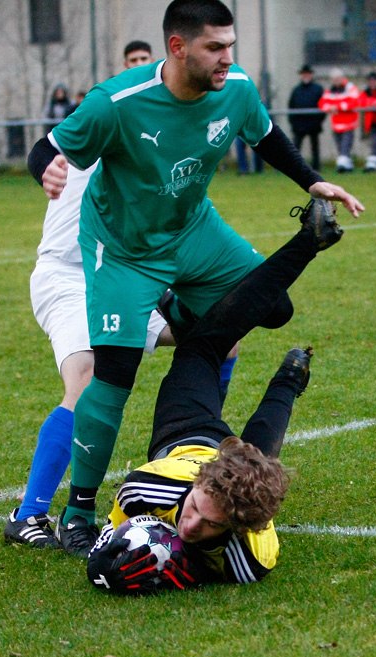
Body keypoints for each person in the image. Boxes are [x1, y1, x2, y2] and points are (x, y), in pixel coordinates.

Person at [27, 0, 363, 558]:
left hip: (193, 232)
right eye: (215, 47)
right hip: (124, 251)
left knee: (273, 307)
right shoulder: (117, 103)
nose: (227, 58)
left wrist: (312, 182)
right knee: (113, 375)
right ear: (178, 47)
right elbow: (48, 146)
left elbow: (265, 134)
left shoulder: (234, 89)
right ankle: (78, 512)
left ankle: (180, 319)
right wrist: (48, 167)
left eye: (230, 45)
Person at [87, 198, 343, 594]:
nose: (189, 526)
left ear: (238, 527)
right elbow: (112, 536)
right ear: (195, 487)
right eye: (193, 509)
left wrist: (186, 570)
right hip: (188, 431)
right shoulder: (147, 487)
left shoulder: (252, 558)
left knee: (260, 461)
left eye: (209, 524)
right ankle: (304, 250)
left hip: (195, 448)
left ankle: (286, 372)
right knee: (203, 348)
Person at [318, 68, 360, 172]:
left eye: (338, 79)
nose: (336, 81)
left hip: (349, 123)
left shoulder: (350, 88)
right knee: (340, 145)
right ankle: (348, 165)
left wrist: (338, 107)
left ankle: (342, 165)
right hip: (336, 124)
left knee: (345, 145)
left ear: (342, 78)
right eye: (334, 79)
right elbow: (322, 103)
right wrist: (329, 108)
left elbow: (354, 102)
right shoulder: (330, 90)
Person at [287, 64, 324, 171]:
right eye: (303, 74)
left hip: (313, 123)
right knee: (295, 147)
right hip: (299, 124)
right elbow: (291, 105)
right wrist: (293, 122)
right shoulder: (297, 90)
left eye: (307, 74)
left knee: (314, 147)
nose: (305, 76)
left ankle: (316, 167)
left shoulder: (317, 89)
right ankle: (294, 167)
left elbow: (323, 105)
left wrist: (318, 121)